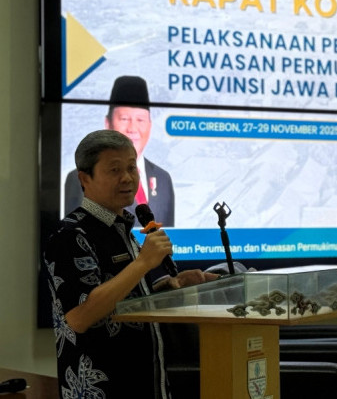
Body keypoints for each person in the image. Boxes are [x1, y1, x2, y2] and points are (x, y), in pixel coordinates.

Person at [44, 130, 217, 398]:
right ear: (84, 178)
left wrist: (170, 285)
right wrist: (144, 262)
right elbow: (79, 316)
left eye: (131, 168)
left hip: (146, 383)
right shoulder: (70, 235)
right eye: (114, 170)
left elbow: (124, 301)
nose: (127, 178)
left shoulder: (123, 230)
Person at [64, 76, 175, 225]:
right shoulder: (83, 178)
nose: (132, 129)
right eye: (124, 119)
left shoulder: (163, 179)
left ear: (150, 125)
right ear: (107, 123)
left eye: (140, 120)